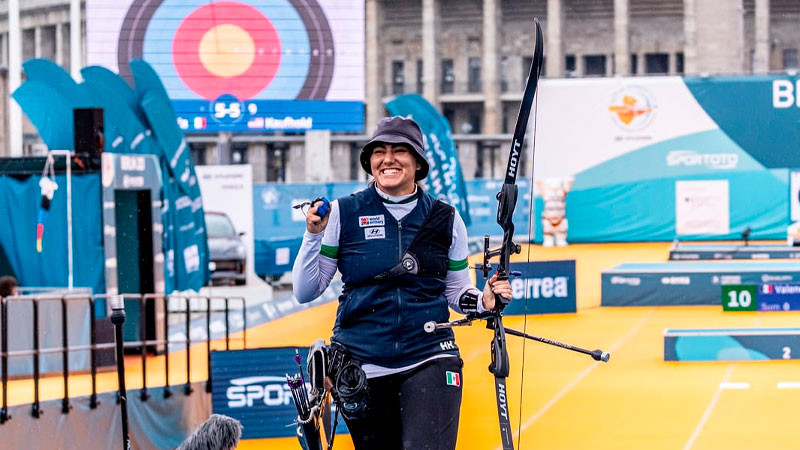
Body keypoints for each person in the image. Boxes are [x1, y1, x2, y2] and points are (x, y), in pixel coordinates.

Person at [292, 116, 512, 449]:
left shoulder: (446, 218)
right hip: (362, 363)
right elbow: (305, 290)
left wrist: (483, 301)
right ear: (370, 162)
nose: (388, 159)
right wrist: (313, 235)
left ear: (417, 162)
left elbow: (455, 291)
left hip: (429, 355)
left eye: (399, 150)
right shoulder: (343, 212)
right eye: (379, 151)